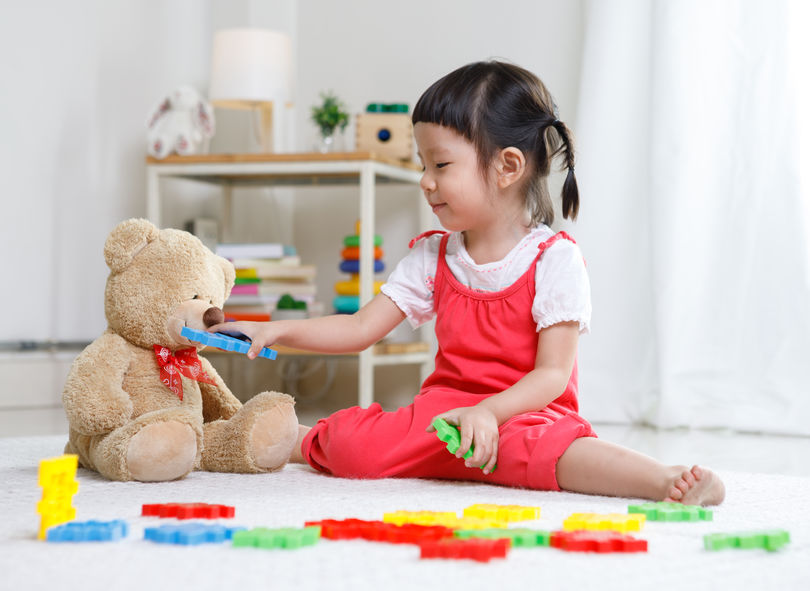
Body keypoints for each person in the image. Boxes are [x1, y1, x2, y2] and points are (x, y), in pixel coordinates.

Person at [210, 60, 725, 506]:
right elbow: (360, 327)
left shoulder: (555, 259)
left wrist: (489, 412)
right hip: (446, 416)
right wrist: (275, 330)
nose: (425, 180)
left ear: (507, 166)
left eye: (440, 164)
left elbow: (551, 375)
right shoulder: (434, 255)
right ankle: (298, 440)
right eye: (423, 164)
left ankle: (664, 479)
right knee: (356, 449)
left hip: (524, 416)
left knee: (561, 456)